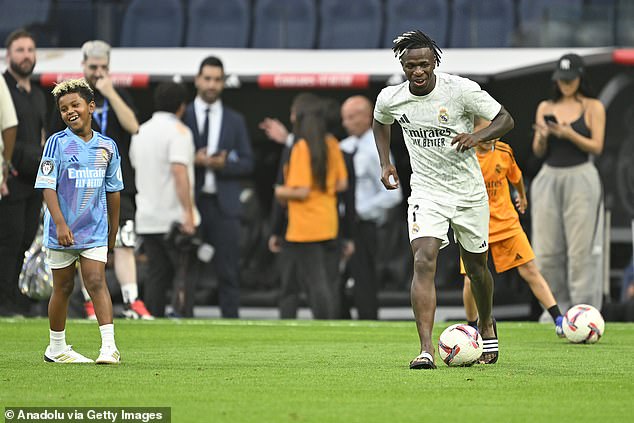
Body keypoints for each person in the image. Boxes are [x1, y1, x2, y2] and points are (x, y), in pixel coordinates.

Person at [373, 30, 514, 369]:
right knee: (423, 259)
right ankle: (425, 349)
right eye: (410, 66)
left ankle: (485, 321)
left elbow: (506, 119)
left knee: (477, 267)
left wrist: (477, 136)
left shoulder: (460, 90)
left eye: (423, 64)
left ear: (435, 62)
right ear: (402, 66)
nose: (417, 72)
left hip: (468, 192)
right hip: (426, 190)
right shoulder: (391, 97)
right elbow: (380, 122)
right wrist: (385, 161)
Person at [49, 40, 152, 320]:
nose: (98, 72)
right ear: (82, 66)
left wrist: (110, 92)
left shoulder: (119, 93)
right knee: (83, 243)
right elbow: (52, 139)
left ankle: (132, 301)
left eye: (104, 67)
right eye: (93, 67)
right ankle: (90, 303)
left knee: (124, 241)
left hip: (116, 182)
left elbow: (134, 127)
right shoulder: (68, 99)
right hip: (77, 185)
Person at [36, 78, 122, 364]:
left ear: (91, 107)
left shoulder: (107, 147)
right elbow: (47, 185)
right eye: (63, 108)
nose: (70, 111)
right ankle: (56, 348)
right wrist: (59, 223)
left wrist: (113, 230)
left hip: (95, 229)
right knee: (63, 287)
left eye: (75, 105)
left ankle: (109, 347)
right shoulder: (55, 144)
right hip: (63, 230)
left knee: (96, 281)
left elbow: (114, 191)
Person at [460, 119, 564, 337]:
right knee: (471, 278)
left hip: (507, 223)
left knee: (530, 270)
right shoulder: (464, 156)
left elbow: (515, 177)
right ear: (473, 133)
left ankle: (559, 319)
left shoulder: (504, 151)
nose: (491, 139)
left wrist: (523, 198)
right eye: (485, 134)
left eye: (494, 134)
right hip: (475, 225)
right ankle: (472, 327)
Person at [531, 53, 605, 317]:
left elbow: (597, 145)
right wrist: (542, 135)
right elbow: (538, 152)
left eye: (570, 79)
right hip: (549, 176)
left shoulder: (593, 106)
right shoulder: (545, 107)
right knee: (547, 249)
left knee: (581, 249)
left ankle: (584, 311)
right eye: (562, 80)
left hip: (580, 176)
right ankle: (554, 312)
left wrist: (569, 133)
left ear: (580, 78)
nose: (565, 84)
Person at [183, 56, 254, 318]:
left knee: (229, 271)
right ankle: (183, 323)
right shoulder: (183, 115)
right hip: (191, 202)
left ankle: (232, 326)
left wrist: (223, 165)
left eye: (217, 80)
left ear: (224, 83)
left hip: (225, 206)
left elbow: (248, 162)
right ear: (197, 80)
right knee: (187, 269)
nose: (212, 85)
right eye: (208, 79)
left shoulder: (235, 120)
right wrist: (195, 160)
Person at [274, 98, 348, 319]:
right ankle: (328, 322)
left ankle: (324, 324)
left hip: (305, 225)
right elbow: (342, 184)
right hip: (328, 220)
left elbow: (301, 190)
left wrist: (279, 191)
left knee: (315, 281)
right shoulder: (332, 143)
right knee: (327, 280)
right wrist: (323, 188)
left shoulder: (301, 147)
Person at [130, 82, 199, 317]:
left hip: (147, 216)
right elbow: (179, 171)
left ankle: (153, 318)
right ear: (182, 106)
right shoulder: (179, 132)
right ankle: (183, 316)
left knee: (156, 274)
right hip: (173, 218)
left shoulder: (140, 131)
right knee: (183, 273)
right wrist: (188, 213)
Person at [339, 95, 402, 320]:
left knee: (364, 277)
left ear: (368, 116)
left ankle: (368, 320)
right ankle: (339, 323)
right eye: (343, 118)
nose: (345, 123)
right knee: (336, 278)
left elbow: (394, 194)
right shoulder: (343, 147)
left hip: (365, 224)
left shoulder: (378, 147)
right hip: (341, 223)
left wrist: (360, 210)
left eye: (351, 117)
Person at [0, 29, 47, 317]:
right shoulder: (2, 87)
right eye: (20, 50)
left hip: (35, 180)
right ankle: (4, 303)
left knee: (26, 240)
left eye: (30, 49)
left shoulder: (39, 94)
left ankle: (15, 301)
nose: (26, 55)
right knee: (8, 239)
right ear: (8, 55)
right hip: (11, 178)